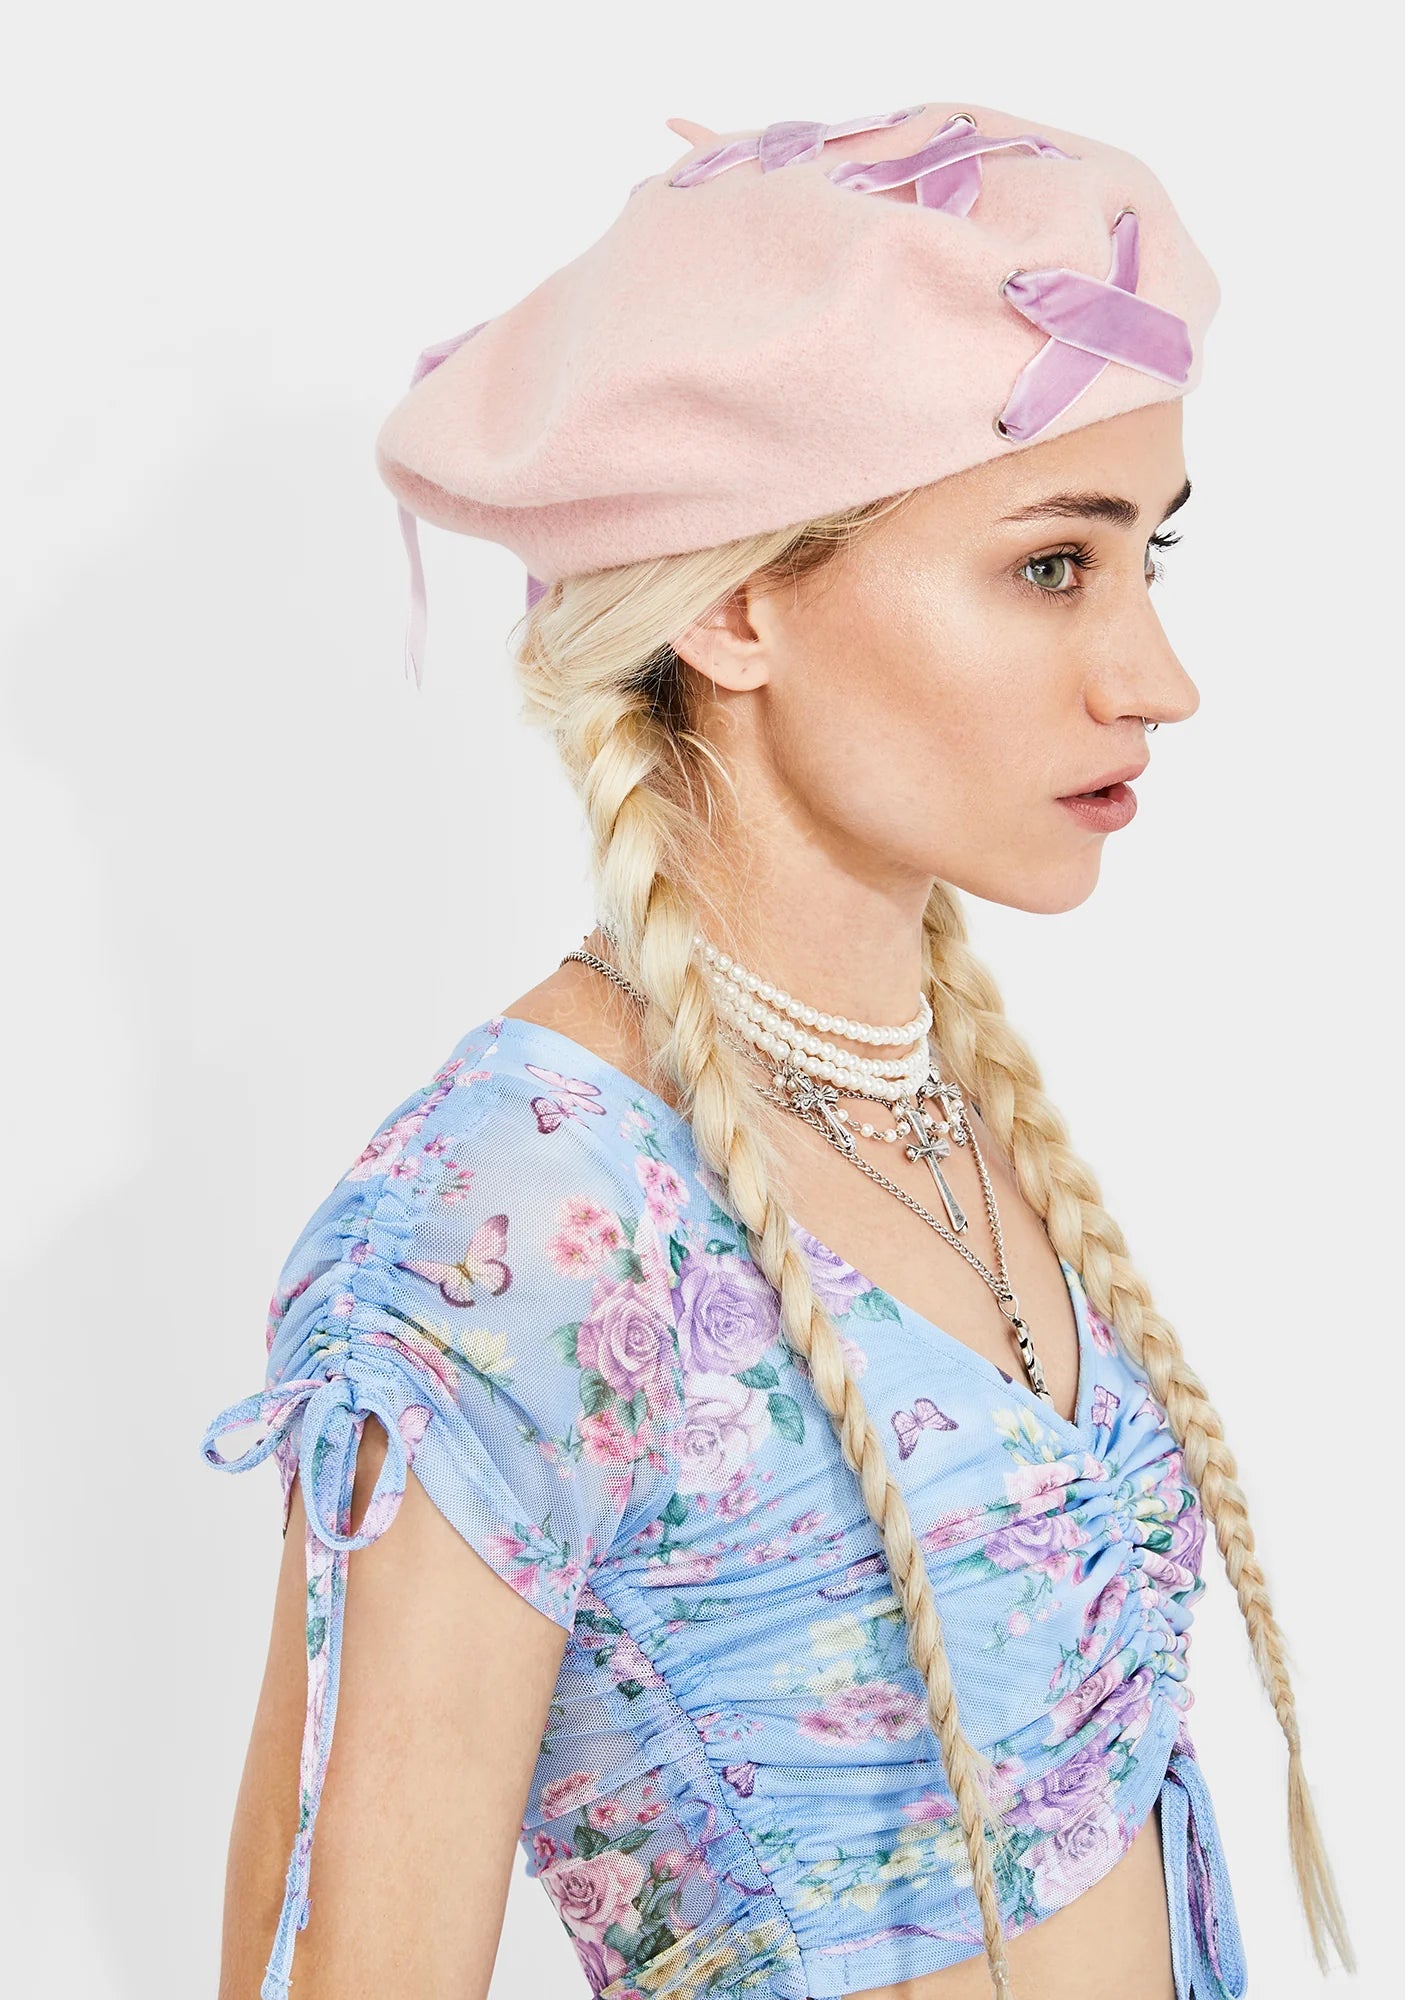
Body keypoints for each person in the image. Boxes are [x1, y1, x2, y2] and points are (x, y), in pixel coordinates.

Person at [200, 101, 1356, 2000]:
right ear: (734, 601)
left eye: (1150, 556)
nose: (1158, 678)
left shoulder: (934, 1105)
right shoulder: (522, 1224)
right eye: (1050, 567)